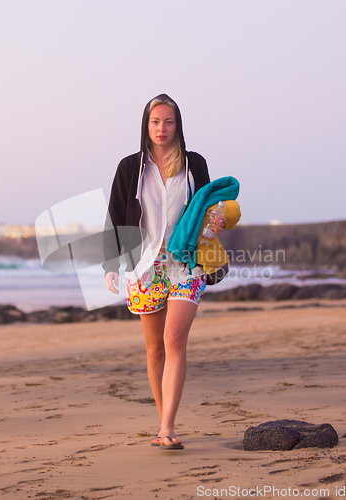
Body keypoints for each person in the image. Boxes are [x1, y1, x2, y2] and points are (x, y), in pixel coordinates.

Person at [103, 94, 225, 450]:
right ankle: (164, 423)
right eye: (155, 121)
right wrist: (112, 265)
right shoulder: (130, 167)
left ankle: (168, 426)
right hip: (144, 266)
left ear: (178, 125)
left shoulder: (193, 164)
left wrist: (216, 220)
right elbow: (114, 216)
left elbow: (208, 206)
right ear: (146, 124)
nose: (161, 128)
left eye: (168, 121)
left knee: (174, 340)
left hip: (186, 263)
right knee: (155, 349)